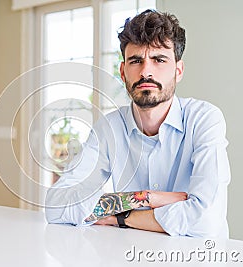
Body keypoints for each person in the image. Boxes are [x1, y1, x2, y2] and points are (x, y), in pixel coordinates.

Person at [45, 9, 230, 238]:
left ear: (178, 70)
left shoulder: (204, 119)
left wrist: (121, 217)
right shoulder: (109, 128)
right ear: (123, 72)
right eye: (136, 61)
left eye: (159, 60)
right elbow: (55, 206)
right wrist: (146, 197)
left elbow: (207, 219)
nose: (146, 72)